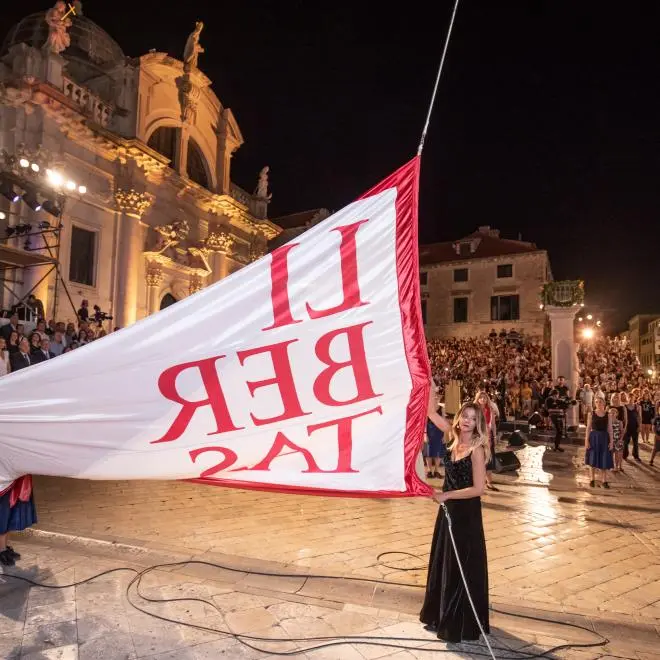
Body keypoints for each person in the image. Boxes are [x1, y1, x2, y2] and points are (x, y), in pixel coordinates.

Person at [420, 385, 490, 643]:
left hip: (465, 513)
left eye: (473, 418)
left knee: (460, 564)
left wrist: (446, 495)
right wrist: (431, 385)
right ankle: (439, 614)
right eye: (465, 416)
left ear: (477, 423)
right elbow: (430, 412)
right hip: (448, 509)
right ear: (459, 418)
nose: (468, 421)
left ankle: (459, 621)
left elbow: (479, 489)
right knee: (444, 561)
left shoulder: (477, 449)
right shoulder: (451, 435)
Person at [0, 475, 37, 566]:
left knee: (8, 516)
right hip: (3, 482)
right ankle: (2, 550)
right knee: (3, 516)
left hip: (12, 480)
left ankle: (4, 547)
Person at [585, 397, 614, 488]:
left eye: (600, 402)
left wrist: (611, 441)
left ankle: (604, 480)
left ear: (604, 403)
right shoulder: (591, 414)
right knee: (592, 458)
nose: (598, 403)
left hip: (604, 438)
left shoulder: (608, 415)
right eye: (596, 402)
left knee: (604, 458)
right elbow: (588, 428)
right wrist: (586, 440)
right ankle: (592, 479)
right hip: (594, 437)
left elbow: (610, 429)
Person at [475, 391, 498, 491]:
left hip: (488, 437)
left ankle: (489, 482)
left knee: (489, 459)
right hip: (478, 437)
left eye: (484, 397)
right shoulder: (474, 409)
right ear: (477, 399)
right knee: (479, 459)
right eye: (481, 397)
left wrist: (495, 436)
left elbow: (493, 424)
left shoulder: (490, 409)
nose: (483, 399)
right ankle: (478, 482)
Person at [651, 402, 660, 467]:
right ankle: (651, 460)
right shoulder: (657, 418)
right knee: (655, 448)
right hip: (657, 436)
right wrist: (656, 434)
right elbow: (653, 427)